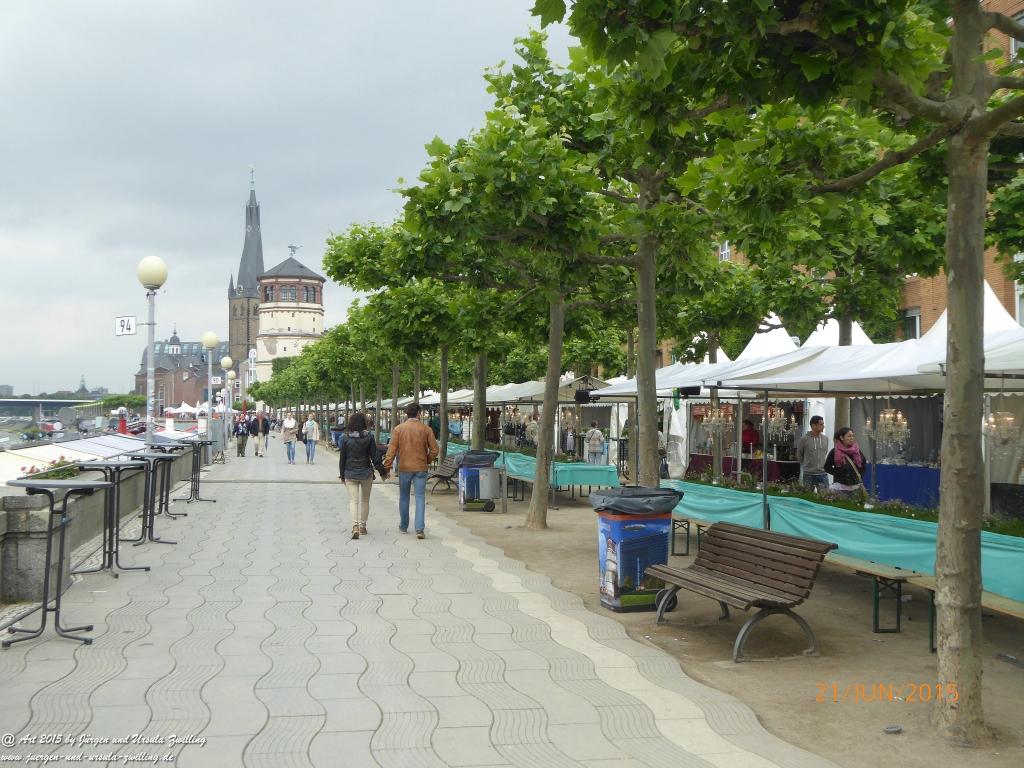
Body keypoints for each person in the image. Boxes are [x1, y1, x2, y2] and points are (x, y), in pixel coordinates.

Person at [382, 403, 439, 539]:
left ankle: (403, 526)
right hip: (421, 467)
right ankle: (419, 529)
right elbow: (435, 450)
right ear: (419, 413)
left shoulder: (398, 429)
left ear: (406, 414)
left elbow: (391, 451)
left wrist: (386, 468)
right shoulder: (426, 429)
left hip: (404, 468)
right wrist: (427, 460)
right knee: (420, 497)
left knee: (404, 497)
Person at [339, 412, 388, 539]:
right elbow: (375, 457)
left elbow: (342, 458)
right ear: (364, 422)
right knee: (365, 500)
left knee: (353, 501)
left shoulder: (345, 437)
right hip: (366, 472)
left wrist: (342, 475)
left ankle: (355, 526)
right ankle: (363, 526)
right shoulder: (369, 436)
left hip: (350, 472)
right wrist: (382, 472)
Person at [824, 427, 866, 497]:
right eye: (849, 436)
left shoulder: (857, 451)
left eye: (852, 436)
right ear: (841, 438)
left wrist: (858, 476)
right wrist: (838, 473)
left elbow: (863, 465)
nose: (852, 438)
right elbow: (827, 467)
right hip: (840, 488)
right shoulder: (834, 451)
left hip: (855, 488)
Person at [796, 415, 829, 491]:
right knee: (808, 496)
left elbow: (824, 453)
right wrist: (807, 464)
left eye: (823, 424)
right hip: (809, 474)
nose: (823, 426)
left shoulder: (825, 439)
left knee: (825, 496)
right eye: (821, 424)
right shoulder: (804, 439)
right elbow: (799, 454)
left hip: (822, 473)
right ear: (813, 425)